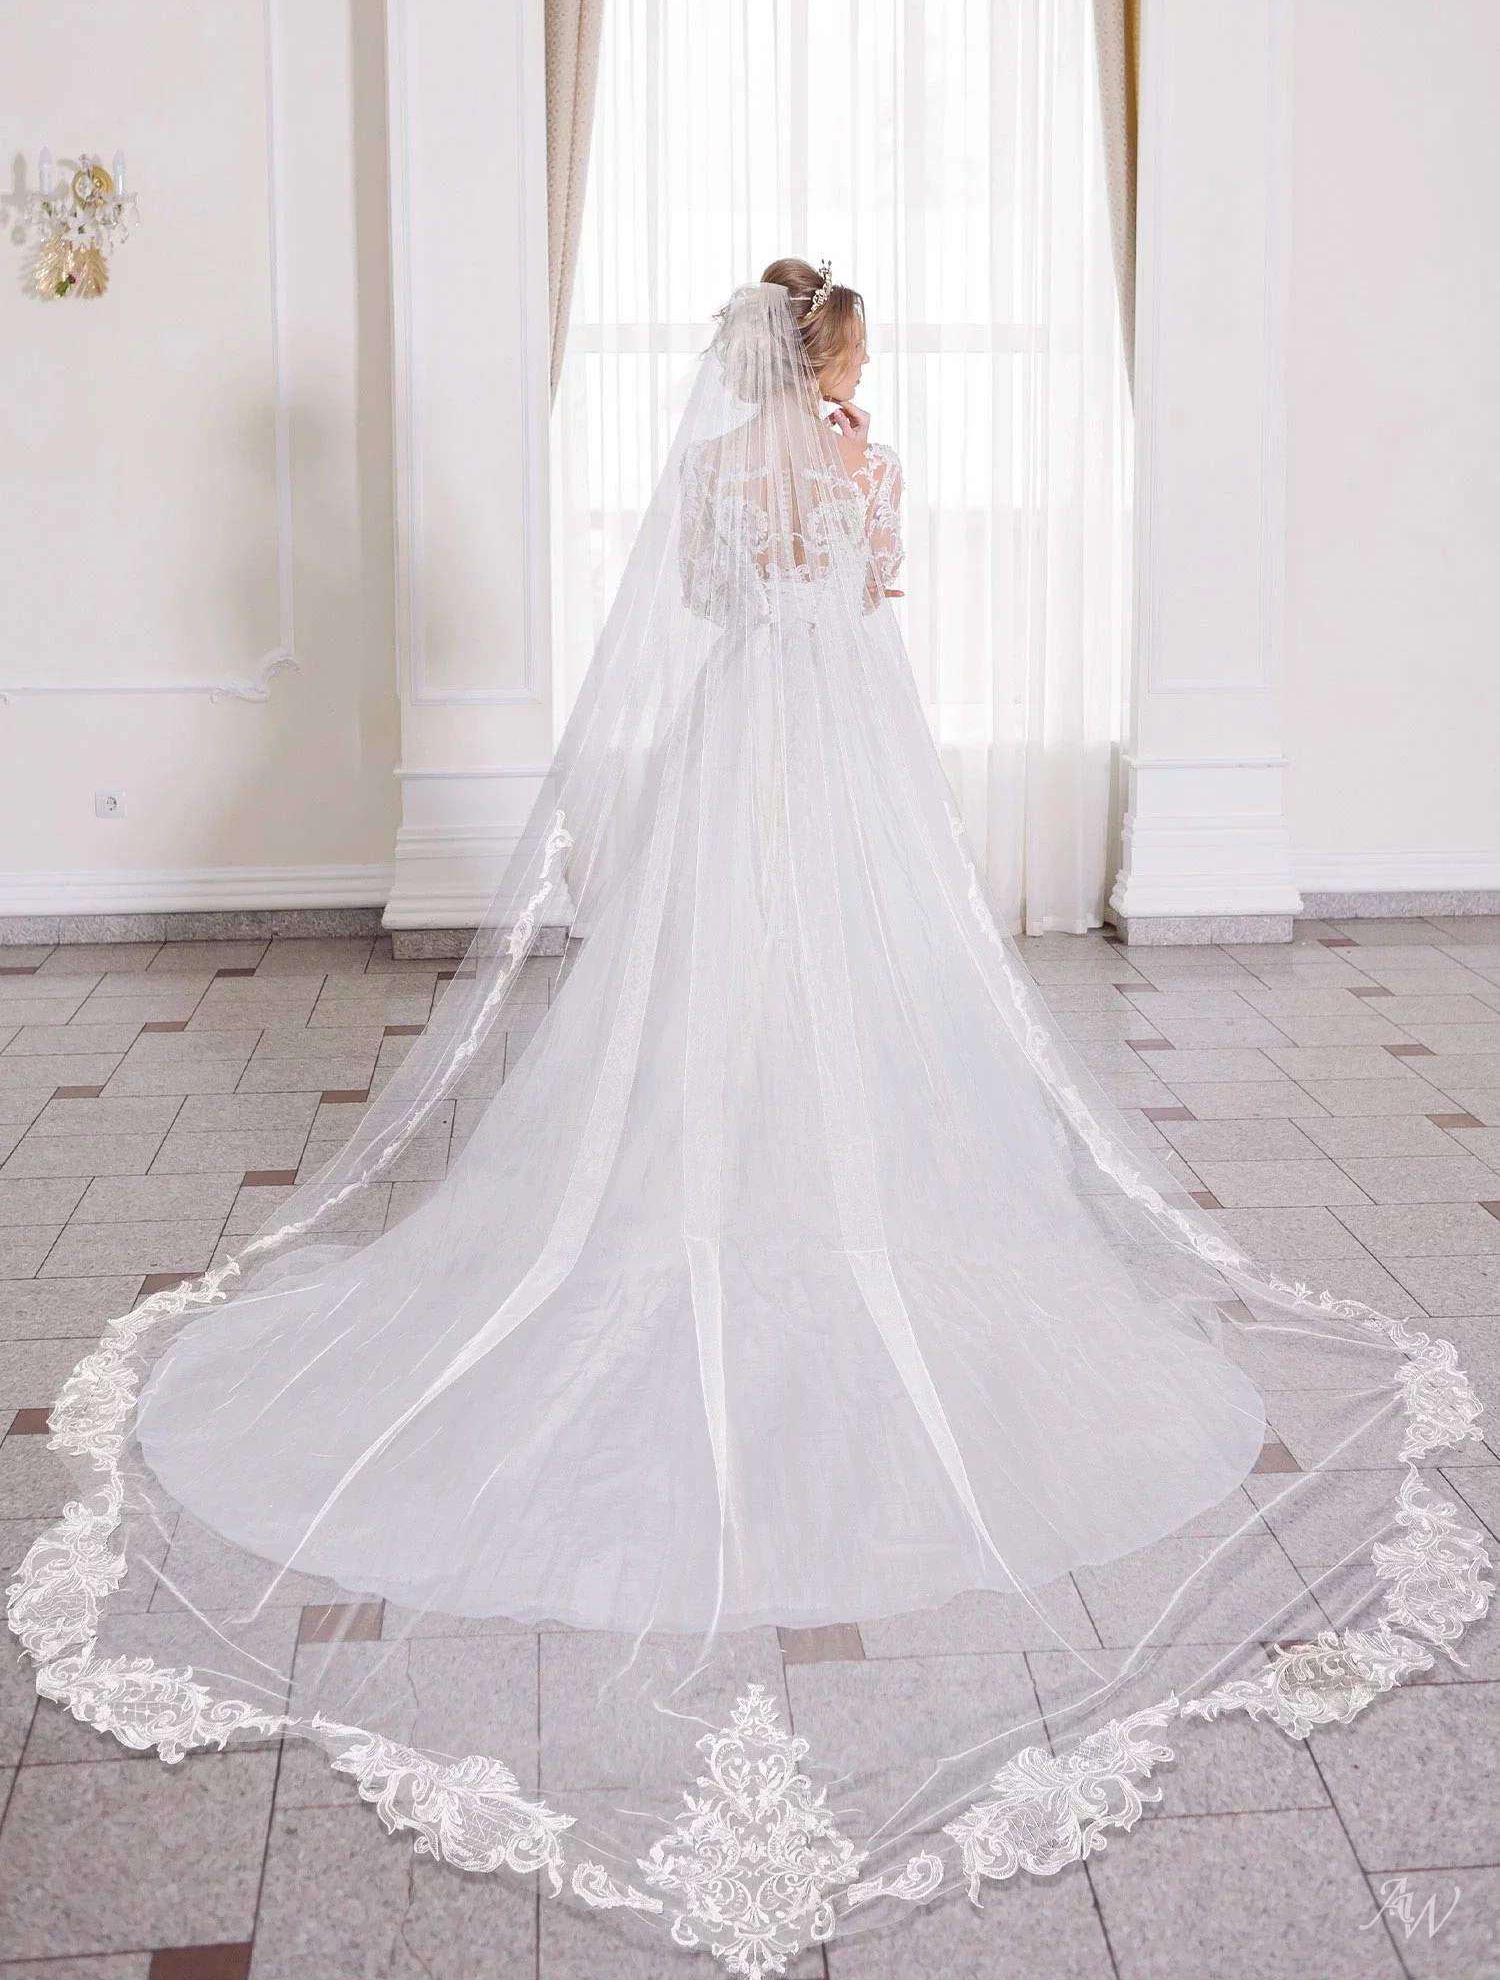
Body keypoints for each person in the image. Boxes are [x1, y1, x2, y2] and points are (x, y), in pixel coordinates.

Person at [11, 264, 1486, 1968]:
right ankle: (838, 1196)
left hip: (741, 746)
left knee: (702, 980)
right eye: (862, 345)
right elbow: (879, 604)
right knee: (867, 981)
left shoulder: (718, 466)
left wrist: (774, 551)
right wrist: (852, 501)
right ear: (839, 351)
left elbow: (704, 608)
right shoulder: (872, 460)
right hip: (849, 750)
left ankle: (696, 1187)